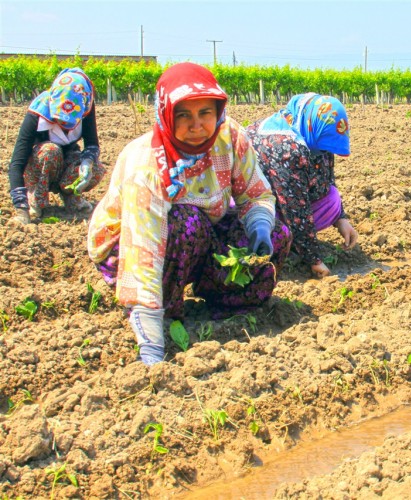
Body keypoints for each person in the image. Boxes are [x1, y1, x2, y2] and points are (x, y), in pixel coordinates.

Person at [87, 62, 291, 366]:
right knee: (186, 223)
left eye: (205, 113)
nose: (196, 125)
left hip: (200, 235)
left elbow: (255, 191)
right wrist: (151, 346)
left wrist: (259, 227)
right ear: (166, 115)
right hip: (130, 246)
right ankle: (165, 312)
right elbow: (142, 252)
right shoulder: (147, 165)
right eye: (184, 115)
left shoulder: (229, 137)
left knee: (278, 231)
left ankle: (217, 295)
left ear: (218, 112)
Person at [246, 93, 358, 278]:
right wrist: (314, 260)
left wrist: (341, 219)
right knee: (277, 232)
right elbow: (295, 210)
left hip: (284, 198)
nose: (326, 153)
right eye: (324, 148)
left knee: (332, 199)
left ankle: (294, 239)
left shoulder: (311, 130)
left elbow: (328, 177)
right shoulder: (285, 148)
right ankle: (285, 240)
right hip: (255, 206)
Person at [8, 67, 105, 224]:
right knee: (51, 151)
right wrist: (21, 208)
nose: (65, 125)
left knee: (96, 167)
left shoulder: (84, 105)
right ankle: (36, 201)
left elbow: (92, 144)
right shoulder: (37, 113)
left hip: (67, 161)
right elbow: (17, 163)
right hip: (42, 165)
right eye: (61, 119)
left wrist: (87, 162)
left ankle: (71, 196)